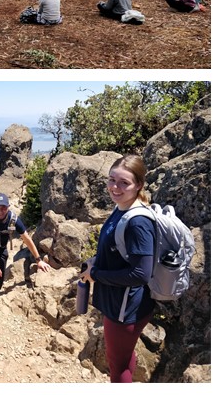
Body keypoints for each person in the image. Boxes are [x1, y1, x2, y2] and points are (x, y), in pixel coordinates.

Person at [81, 155, 156, 383]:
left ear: (139, 185)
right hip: (119, 302)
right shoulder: (121, 207)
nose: (115, 187)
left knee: (117, 365)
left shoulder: (138, 222)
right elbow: (118, 250)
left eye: (124, 182)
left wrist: (95, 274)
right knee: (124, 356)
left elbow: (141, 273)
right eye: (112, 179)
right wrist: (96, 260)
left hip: (125, 309)